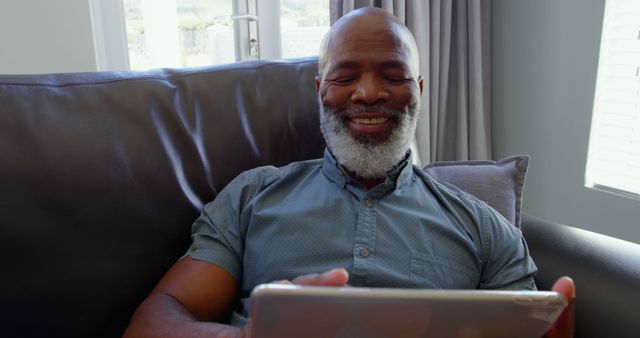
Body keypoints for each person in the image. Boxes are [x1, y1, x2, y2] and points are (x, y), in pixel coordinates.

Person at [124, 7, 575, 338]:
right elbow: (156, 319)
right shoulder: (251, 197)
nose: (368, 92)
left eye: (393, 75)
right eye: (345, 77)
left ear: (418, 92)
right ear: (320, 91)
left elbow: (528, 327)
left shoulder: (485, 228)